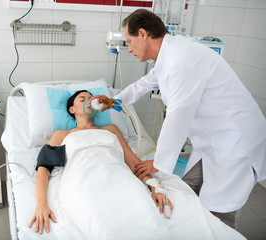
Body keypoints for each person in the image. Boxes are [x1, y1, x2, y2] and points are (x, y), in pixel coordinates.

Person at [93, 9, 266, 229]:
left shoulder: (181, 60)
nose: (129, 49)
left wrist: (157, 163)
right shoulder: (169, 55)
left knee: (219, 211)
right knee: (186, 191)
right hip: (212, 142)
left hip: (235, 143)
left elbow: (177, 116)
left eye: (130, 41)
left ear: (143, 33)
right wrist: (113, 101)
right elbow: (144, 85)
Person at [28, 90, 173, 234]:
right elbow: (44, 169)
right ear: (72, 109)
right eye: (82, 99)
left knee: (146, 219)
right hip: (82, 180)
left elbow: (134, 164)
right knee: (101, 225)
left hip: (120, 177)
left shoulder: (111, 129)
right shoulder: (62, 134)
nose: (88, 101)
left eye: (91, 98)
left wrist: (155, 187)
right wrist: (41, 204)